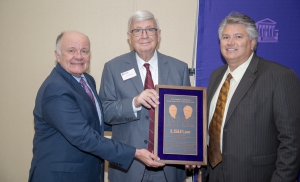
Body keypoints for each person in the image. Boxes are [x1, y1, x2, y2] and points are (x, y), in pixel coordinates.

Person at [28, 31, 164, 182]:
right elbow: (84, 136)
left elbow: (98, 121)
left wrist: (144, 120)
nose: (79, 56)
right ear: (57, 55)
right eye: (71, 50)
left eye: (84, 51)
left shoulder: (87, 80)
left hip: (86, 173)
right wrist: (135, 153)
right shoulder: (56, 89)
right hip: (61, 176)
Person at [205, 12, 300, 182]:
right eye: (225, 37)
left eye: (238, 36)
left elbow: (292, 141)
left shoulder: (279, 76)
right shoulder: (215, 76)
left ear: (253, 42)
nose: (230, 42)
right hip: (214, 175)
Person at [99, 10, 190, 182]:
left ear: (159, 34)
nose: (144, 35)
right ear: (129, 36)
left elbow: (189, 117)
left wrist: (192, 151)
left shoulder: (179, 69)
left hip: (169, 169)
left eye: (150, 29)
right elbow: (104, 112)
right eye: (137, 31)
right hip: (128, 168)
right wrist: (134, 103)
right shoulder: (113, 68)